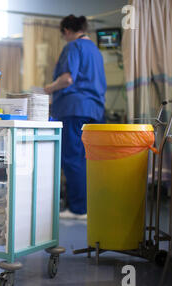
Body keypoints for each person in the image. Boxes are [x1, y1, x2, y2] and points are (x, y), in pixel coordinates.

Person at [44, 15, 106, 220]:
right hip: (93, 110)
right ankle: (87, 206)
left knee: (72, 158)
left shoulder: (73, 47)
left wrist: (49, 88)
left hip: (74, 109)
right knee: (86, 159)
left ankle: (78, 209)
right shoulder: (95, 51)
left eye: (63, 35)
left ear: (67, 31)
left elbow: (68, 78)